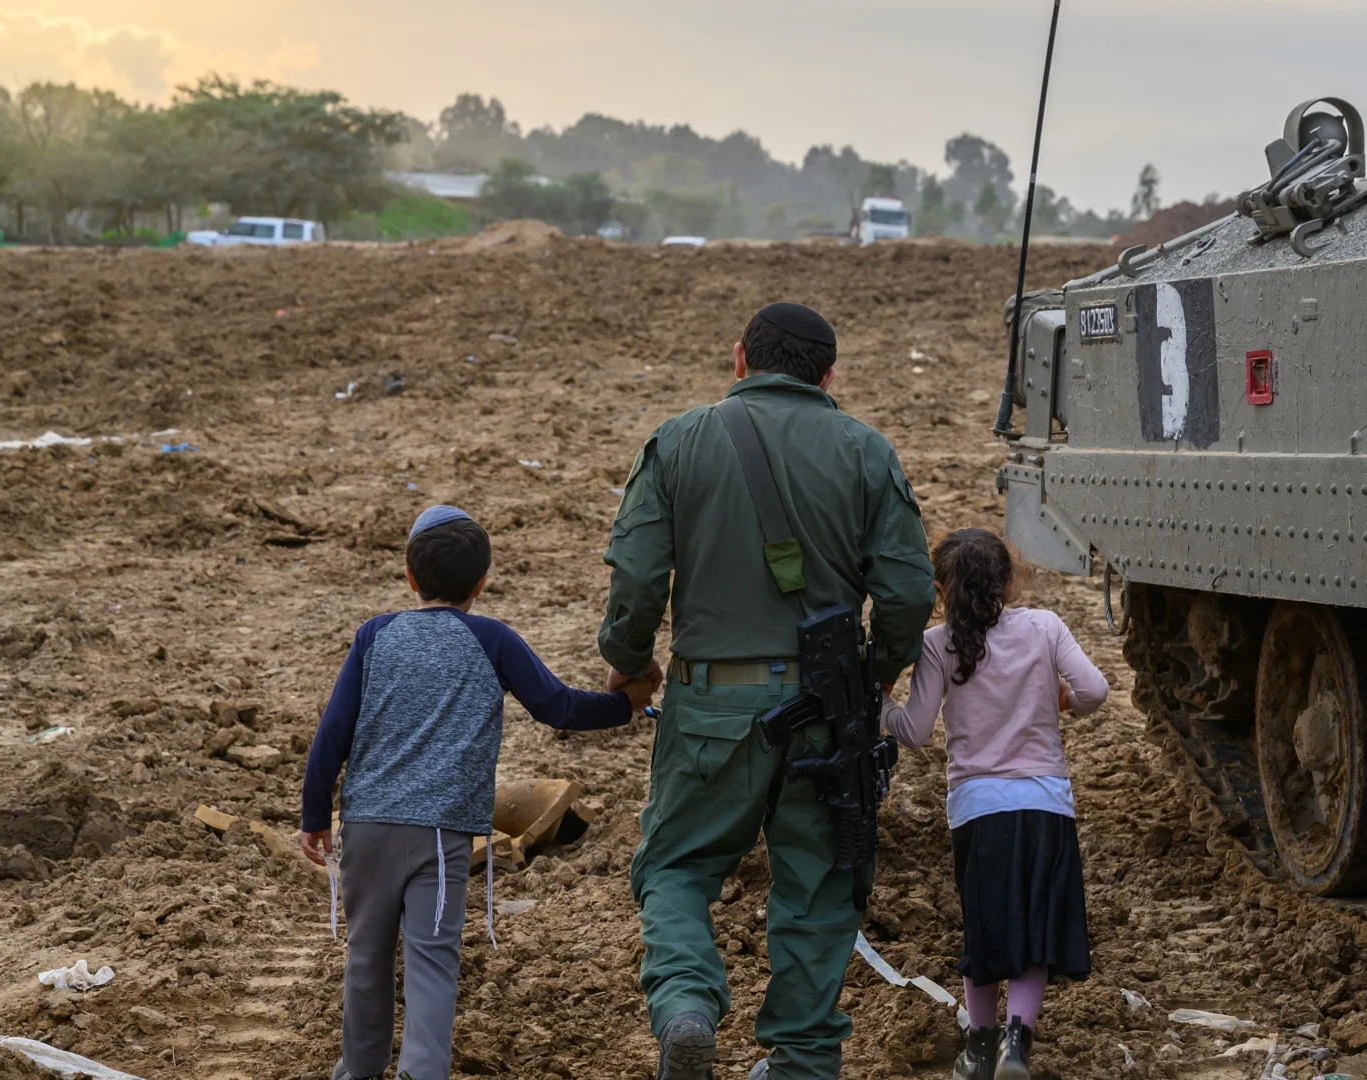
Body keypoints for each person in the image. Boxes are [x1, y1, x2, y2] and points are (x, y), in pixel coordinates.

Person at [600, 302, 936, 1080]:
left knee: (677, 868)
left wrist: (629, 658)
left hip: (708, 704)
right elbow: (910, 590)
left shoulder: (679, 440)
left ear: (740, 359)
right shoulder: (866, 450)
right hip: (827, 713)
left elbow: (640, 578)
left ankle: (686, 1005)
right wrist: (878, 670)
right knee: (819, 886)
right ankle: (801, 1060)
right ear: (828, 377)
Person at [299, 505, 659, 1080]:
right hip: (440, 839)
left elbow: (333, 730)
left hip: (365, 828)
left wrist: (315, 813)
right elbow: (557, 706)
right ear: (482, 582)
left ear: (410, 577)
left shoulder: (374, 635)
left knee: (365, 957)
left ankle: (359, 1071)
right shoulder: (491, 638)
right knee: (431, 962)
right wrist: (626, 704)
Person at [883, 527, 1108, 1080]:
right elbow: (1097, 691)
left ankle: (979, 1047)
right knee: (1035, 931)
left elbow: (913, 731)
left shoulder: (937, 645)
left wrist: (877, 706)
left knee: (984, 927)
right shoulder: (1044, 627)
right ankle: (1017, 1043)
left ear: (941, 590)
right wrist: (1065, 701)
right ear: (1009, 582)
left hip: (978, 809)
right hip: (1046, 804)